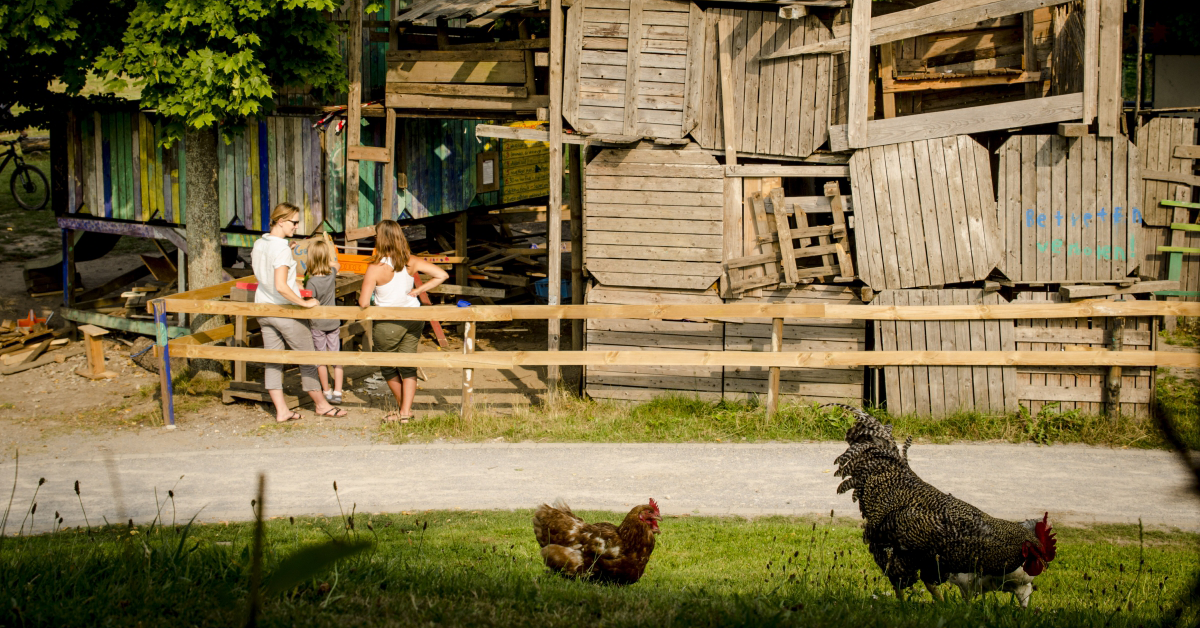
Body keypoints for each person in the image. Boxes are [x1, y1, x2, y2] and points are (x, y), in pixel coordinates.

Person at [251, 203, 348, 422]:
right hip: (284, 311)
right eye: (294, 222)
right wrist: (302, 303)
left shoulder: (259, 244)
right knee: (308, 358)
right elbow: (281, 286)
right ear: (281, 221)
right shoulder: (281, 249)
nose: (297, 226)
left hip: (263, 308)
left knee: (273, 360)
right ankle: (322, 405)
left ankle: (281, 410)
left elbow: (265, 277)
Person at [358, 220, 448, 424]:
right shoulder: (411, 260)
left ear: (379, 239)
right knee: (408, 365)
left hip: (387, 322)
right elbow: (442, 274)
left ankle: (403, 409)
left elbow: (363, 302)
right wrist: (418, 290)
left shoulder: (375, 267)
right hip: (413, 318)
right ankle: (405, 412)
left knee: (388, 367)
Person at [306, 238, 345, 405]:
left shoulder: (311, 281)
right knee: (336, 357)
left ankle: (326, 391)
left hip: (318, 324)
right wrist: (326, 259)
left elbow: (308, 300)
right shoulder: (331, 275)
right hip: (333, 322)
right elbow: (337, 265)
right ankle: (338, 391)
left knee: (321, 359)